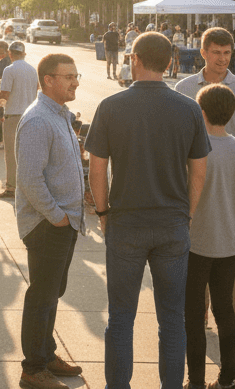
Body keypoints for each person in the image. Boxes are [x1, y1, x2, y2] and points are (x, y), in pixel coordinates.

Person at [86, 32, 210, 389]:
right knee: (172, 320)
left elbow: (97, 170)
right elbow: (199, 172)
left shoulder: (111, 106)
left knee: (121, 317)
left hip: (126, 222)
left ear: (134, 59)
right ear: (170, 63)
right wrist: (186, 214)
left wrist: (103, 213)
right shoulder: (189, 108)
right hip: (172, 224)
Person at [173, 27, 235, 339]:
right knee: (194, 246)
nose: (222, 59)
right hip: (192, 180)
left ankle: (234, 321)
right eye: (216, 53)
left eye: (227, 53)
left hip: (231, 181)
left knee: (232, 248)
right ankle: (197, 317)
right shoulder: (185, 88)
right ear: (203, 52)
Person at [15, 53, 84, 389]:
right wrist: (57, 217)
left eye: (76, 76)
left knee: (52, 293)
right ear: (48, 80)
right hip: (47, 225)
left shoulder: (59, 114)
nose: (75, 82)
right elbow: (29, 179)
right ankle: (33, 369)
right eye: (68, 76)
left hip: (63, 223)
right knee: (41, 297)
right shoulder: (38, 120)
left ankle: (46, 353)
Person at [185, 84, 235, 389]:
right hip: (230, 241)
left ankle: (196, 381)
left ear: (201, 112)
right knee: (225, 311)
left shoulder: (195, 147)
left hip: (198, 242)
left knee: (193, 314)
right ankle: (227, 379)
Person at [0, 41, 37, 201]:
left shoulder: (9, 69)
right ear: (24, 54)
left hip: (13, 116)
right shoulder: (32, 70)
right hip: (30, 116)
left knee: (12, 154)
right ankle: (28, 188)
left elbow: (4, 94)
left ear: (10, 54)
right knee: (27, 154)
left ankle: (11, 187)